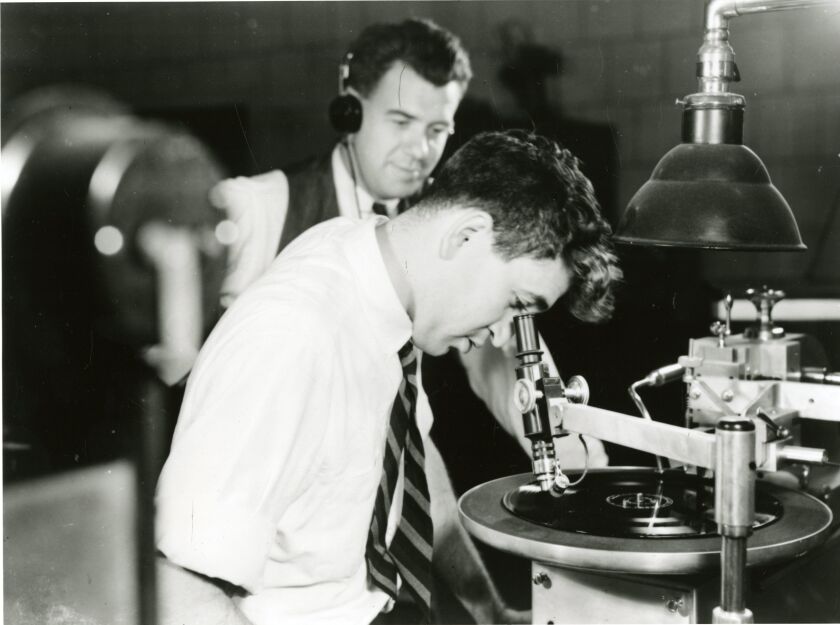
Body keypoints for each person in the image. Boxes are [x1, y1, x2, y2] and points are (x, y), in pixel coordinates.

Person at [155, 129, 622, 625]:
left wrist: (491, 612)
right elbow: (180, 589)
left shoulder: (381, 264)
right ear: (465, 235)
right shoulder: (292, 335)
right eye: (515, 303)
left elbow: (410, 465)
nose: (503, 331)